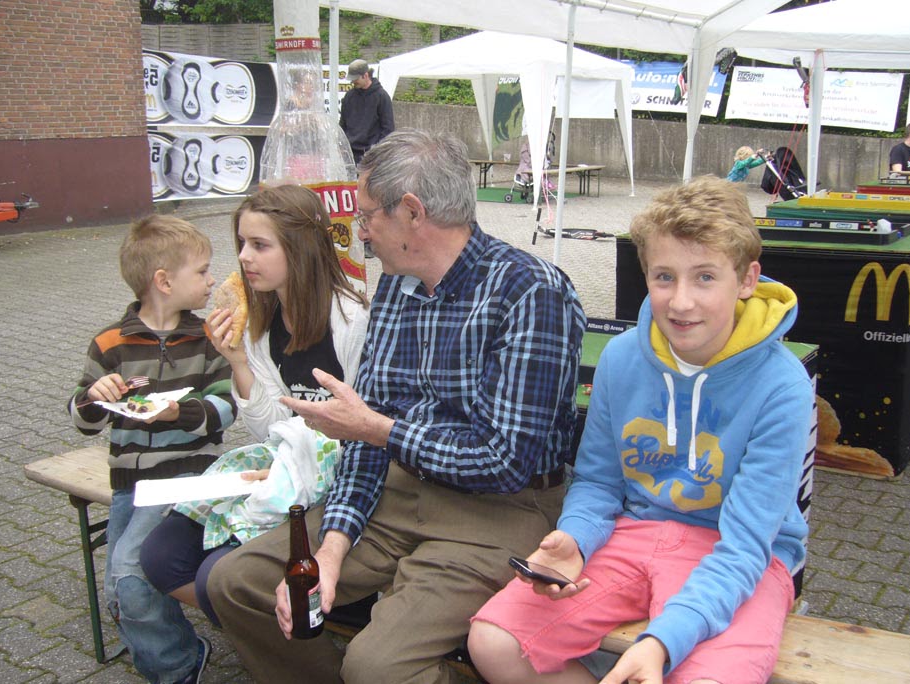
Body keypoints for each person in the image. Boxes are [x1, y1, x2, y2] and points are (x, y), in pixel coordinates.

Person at [208, 129, 587, 684]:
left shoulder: (530, 291)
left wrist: (380, 430)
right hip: (398, 493)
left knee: (375, 666)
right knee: (236, 583)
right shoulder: (396, 286)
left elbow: (506, 461)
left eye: (366, 217)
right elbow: (366, 437)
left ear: (412, 212)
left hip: (500, 511)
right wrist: (332, 550)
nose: (359, 232)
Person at [468, 175, 813, 684]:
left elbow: (746, 546)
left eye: (705, 277)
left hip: (740, 556)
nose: (681, 302)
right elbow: (599, 481)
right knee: (494, 641)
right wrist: (577, 539)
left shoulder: (782, 385)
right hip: (634, 534)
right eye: (664, 277)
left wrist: (662, 640)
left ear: (746, 280)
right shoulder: (622, 357)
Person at [140, 184, 369, 627]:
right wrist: (238, 361)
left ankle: (301, 622)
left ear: (300, 249)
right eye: (242, 243)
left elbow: (363, 433)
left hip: (338, 482)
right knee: (160, 555)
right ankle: (272, 621)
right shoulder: (259, 324)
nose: (244, 257)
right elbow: (270, 430)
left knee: (216, 576)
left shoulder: (352, 319)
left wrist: (294, 465)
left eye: (260, 245)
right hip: (283, 470)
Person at [69, 215, 237, 684]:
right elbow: (83, 421)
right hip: (131, 484)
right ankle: (180, 654)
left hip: (187, 475)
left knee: (129, 576)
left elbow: (225, 409)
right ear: (164, 281)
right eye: (202, 271)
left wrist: (177, 413)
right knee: (119, 592)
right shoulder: (110, 343)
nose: (211, 280)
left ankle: (176, 668)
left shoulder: (207, 340)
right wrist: (93, 397)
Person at [339, 58, 395, 165]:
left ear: (365, 75)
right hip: (350, 153)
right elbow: (343, 124)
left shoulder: (382, 97)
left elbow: (388, 129)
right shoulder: (349, 96)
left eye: (355, 79)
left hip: (372, 154)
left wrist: (377, 150)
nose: (352, 82)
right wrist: (342, 145)